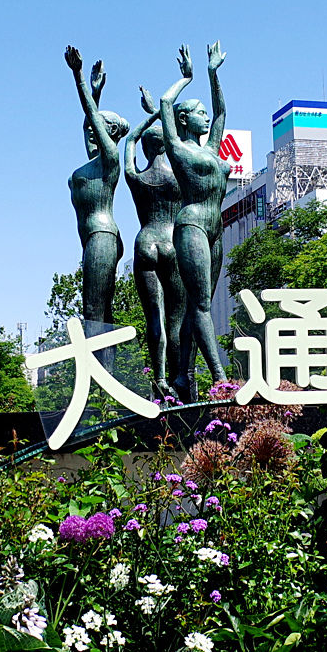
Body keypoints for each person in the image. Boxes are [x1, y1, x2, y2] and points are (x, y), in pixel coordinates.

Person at [154, 42, 228, 400]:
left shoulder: (211, 150)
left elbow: (221, 114)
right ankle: (220, 379)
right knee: (199, 306)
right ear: (185, 120)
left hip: (215, 231)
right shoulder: (178, 149)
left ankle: (182, 376)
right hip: (192, 226)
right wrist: (186, 78)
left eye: (203, 112)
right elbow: (166, 105)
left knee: (201, 309)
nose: (204, 116)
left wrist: (214, 75)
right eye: (197, 112)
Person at [65, 46, 129, 361]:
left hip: (102, 237)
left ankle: (99, 385)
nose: (90, 133)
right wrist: (95, 93)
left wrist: (77, 76)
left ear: (111, 135)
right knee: (100, 314)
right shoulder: (92, 164)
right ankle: (105, 381)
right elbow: (87, 121)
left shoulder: (110, 160)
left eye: (98, 130)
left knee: (93, 312)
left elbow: (90, 118)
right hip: (94, 240)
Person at [127, 89, 188, 399]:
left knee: (154, 316)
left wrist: (149, 117)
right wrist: (161, 114)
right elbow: (182, 144)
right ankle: (180, 379)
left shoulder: (136, 177)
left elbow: (128, 142)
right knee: (177, 316)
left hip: (146, 240)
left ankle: (159, 378)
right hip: (173, 243)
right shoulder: (179, 175)